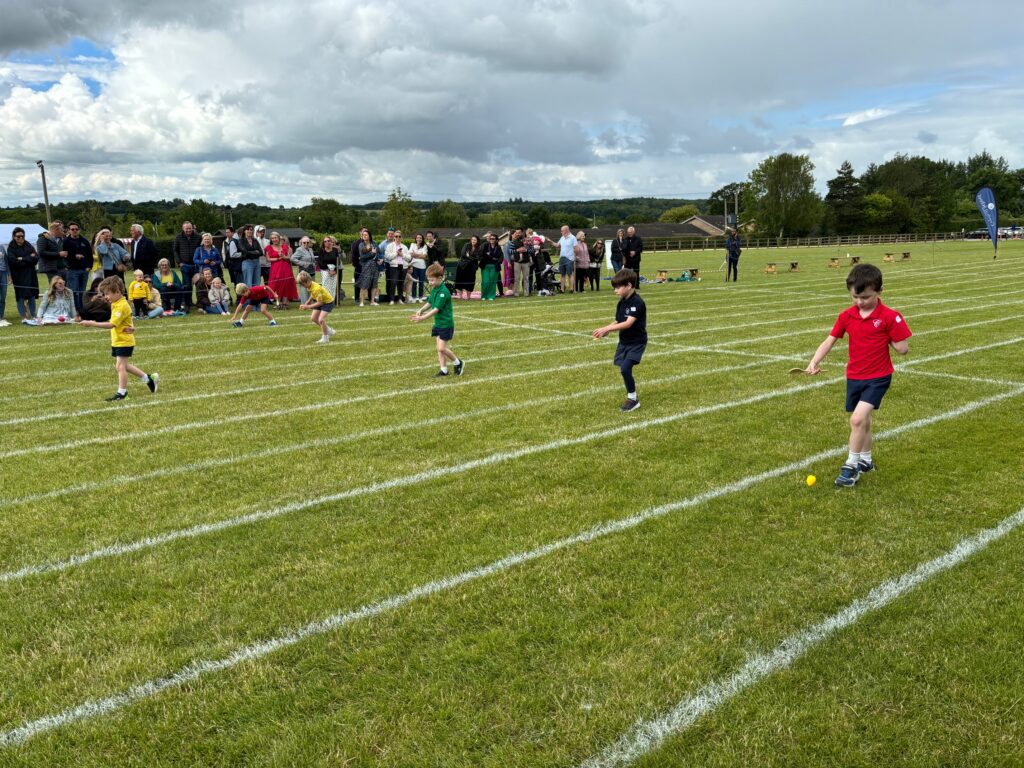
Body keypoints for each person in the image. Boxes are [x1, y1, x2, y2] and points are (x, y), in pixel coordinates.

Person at [805, 263, 912, 487]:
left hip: (878, 377)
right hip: (855, 376)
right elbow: (830, 340)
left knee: (856, 419)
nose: (860, 302)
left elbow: (903, 348)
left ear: (879, 291)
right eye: (855, 297)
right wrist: (814, 360)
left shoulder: (890, 317)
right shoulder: (847, 316)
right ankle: (866, 460)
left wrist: (893, 340)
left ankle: (851, 466)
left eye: (865, 297)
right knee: (863, 422)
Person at [79, 276, 159, 401]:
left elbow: (112, 324)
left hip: (124, 341)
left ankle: (122, 393)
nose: (106, 297)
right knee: (122, 366)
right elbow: (127, 319)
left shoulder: (121, 305)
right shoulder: (116, 303)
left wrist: (91, 323)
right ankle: (148, 378)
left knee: (121, 367)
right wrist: (132, 326)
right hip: (118, 340)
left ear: (117, 292)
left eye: (107, 294)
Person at [592, 268, 646, 412]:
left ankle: (633, 399)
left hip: (637, 342)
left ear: (628, 286)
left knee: (625, 368)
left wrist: (607, 329)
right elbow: (618, 320)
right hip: (624, 341)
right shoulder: (622, 302)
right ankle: (632, 397)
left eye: (617, 287)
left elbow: (628, 323)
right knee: (623, 369)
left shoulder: (637, 302)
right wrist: (607, 328)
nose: (615, 290)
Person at [411, 262, 464, 377]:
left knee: (441, 348)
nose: (430, 283)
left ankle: (458, 362)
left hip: (446, 324)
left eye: (432, 280)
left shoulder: (443, 292)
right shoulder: (435, 288)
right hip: (438, 323)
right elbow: (430, 302)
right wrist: (421, 310)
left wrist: (423, 318)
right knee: (439, 349)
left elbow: (436, 309)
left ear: (440, 278)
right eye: (429, 280)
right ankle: (444, 370)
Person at [7, 227, 40, 325]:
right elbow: (13, 262)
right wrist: (29, 259)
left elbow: (36, 258)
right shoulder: (11, 248)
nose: (21, 238)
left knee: (32, 295)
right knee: (20, 297)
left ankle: (33, 315)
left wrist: (22, 259)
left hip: (31, 274)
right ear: (14, 237)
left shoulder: (28, 245)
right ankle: (23, 317)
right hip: (18, 275)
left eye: (22, 236)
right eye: (18, 236)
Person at [297, 270, 336, 344]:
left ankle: (325, 338)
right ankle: (328, 330)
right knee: (313, 318)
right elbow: (312, 294)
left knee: (321, 320)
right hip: (320, 301)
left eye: (303, 284)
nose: (303, 286)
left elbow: (320, 303)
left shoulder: (316, 288)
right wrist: (307, 302)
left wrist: (308, 307)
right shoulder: (310, 285)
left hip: (327, 303)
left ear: (308, 281)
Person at [63, 221, 93, 319]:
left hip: (84, 270)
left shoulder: (84, 241)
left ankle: (81, 310)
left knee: (82, 291)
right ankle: (75, 310)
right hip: (72, 270)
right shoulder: (65, 241)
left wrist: (89, 266)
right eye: (73, 229)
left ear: (79, 230)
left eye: (76, 229)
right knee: (74, 291)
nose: (75, 231)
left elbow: (90, 254)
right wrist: (73, 256)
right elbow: (64, 255)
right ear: (69, 230)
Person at [173, 221, 203, 312]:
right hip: (184, 265)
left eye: (190, 228)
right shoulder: (178, 237)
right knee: (187, 285)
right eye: (186, 229)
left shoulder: (198, 237)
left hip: (196, 265)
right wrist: (179, 262)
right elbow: (175, 250)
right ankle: (187, 303)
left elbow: (201, 250)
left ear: (192, 228)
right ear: (183, 229)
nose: (188, 230)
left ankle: (200, 302)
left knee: (199, 284)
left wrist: (199, 262)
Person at [265, 231, 297, 308]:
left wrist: (283, 257)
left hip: (285, 267)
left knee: (286, 283)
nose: (274, 239)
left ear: (279, 238)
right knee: (276, 284)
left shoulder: (285, 246)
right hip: (275, 268)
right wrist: (277, 258)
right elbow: (268, 259)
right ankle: (278, 302)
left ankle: (285, 302)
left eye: (275, 238)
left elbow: (290, 258)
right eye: (272, 238)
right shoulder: (268, 247)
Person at [356, 229, 381, 306]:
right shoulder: (361, 245)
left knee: (374, 284)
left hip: (375, 266)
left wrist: (380, 259)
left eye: (366, 235)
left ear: (369, 236)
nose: (364, 236)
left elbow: (379, 252)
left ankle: (372, 301)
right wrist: (372, 254)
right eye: (363, 235)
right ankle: (362, 302)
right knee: (364, 284)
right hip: (366, 266)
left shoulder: (374, 243)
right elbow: (362, 257)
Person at [384, 229, 409, 304]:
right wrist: (396, 253)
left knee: (401, 283)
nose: (398, 238)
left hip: (403, 267)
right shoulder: (389, 246)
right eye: (396, 236)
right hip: (394, 267)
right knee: (393, 283)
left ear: (401, 237)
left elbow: (409, 258)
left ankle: (400, 299)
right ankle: (392, 300)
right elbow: (387, 257)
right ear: (394, 237)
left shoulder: (404, 247)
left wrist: (402, 255)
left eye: (399, 236)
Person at [290, 236, 317, 303]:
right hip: (303, 272)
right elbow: (292, 258)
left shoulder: (310, 249)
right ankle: (304, 304)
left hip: (311, 271)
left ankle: (310, 302)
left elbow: (312, 259)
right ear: (301, 243)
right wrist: (303, 263)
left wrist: (314, 263)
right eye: (304, 242)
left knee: (311, 286)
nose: (306, 244)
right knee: (304, 288)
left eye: (307, 242)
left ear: (310, 243)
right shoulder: (299, 250)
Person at [455, 235, 481, 299]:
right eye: (472, 239)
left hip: (472, 268)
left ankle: (468, 297)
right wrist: (472, 258)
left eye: (475, 240)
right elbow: (463, 254)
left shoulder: (479, 248)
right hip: (462, 266)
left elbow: (478, 257)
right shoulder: (466, 245)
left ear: (477, 241)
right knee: (460, 282)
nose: (473, 241)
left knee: (470, 282)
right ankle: (460, 297)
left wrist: (469, 256)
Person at [480, 232, 503, 301]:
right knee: (485, 281)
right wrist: (493, 257)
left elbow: (500, 257)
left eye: (493, 239)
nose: (491, 240)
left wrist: (491, 255)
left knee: (492, 282)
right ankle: (484, 295)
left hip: (494, 266)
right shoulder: (485, 245)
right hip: (485, 266)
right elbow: (482, 254)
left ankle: (491, 296)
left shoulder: (498, 247)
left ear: (496, 240)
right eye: (490, 239)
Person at [556, 225, 578, 293]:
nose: (561, 232)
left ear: (566, 230)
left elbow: (576, 249)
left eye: (562, 230)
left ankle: (571, 289)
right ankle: (562, 289)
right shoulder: (562, 238)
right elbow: (557, 245)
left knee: (570, 274)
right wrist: (550, 241)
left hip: (569, 259)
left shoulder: (573, 238)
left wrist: (574, 256)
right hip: (562, 258)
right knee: (562, 274)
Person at [510, 228, 531, 297]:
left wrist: (526, 250)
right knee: (517, 278)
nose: (517, 234)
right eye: (516, 232)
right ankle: (516, 293)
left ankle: (526, 293)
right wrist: (518, 250)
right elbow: (510, 251)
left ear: (522, 232)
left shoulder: (527, 240)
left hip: (526, 262)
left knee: (526, 278)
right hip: (517, 262)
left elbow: (532, 250)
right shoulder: (513, 241)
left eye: (519, 232)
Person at [407, 233, 429, 301]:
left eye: (420, 238)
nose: (419, 239)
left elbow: (424, 256)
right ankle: (413, 297)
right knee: (414, 282)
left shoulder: (425, 246)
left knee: (421, 282)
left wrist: (415, 254)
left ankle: (420, 297)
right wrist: (420, 255)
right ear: (416, 239)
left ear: (422, 239)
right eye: (417, 238)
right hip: (414, 265)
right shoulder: (412, 245)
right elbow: (410, 254)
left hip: (422, 267)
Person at [0, 239, 8, 327]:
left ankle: (1, 317)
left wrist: (9, 275)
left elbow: (6, 261)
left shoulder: (1, 247)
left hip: (3, 273)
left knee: (3, 296)